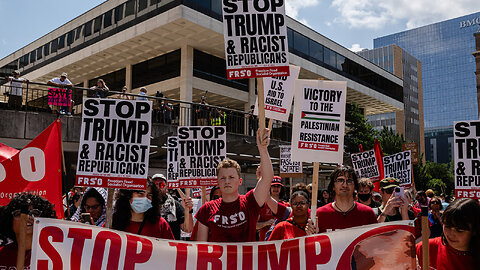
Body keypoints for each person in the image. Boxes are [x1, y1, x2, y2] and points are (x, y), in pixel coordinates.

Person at [195, 128, 273, 242]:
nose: (227, 181)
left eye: (231, 177)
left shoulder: (250, 202)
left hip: (245, 260)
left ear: (240, 181)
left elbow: (267, 179)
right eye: (223, 178)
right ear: (217, 182)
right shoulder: (206, 209)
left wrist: (263, 149)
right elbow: (201, 246)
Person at [416, 198, 480, 270]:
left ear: (474, 230)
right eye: (447, 226)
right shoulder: (426, 248)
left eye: (459, 230)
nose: (451, 234)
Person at [0, 193, 57, 268]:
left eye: (34, 213)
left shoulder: (54, 254)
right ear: (9, 221)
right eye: (18, 214)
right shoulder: (2, 254)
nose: (27, 217)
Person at [316, 166, 377, 233]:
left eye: (349, 181)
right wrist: (310, 234)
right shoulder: (320, 214)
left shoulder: (368, 213)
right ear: (333, 186)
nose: (345, 185)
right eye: (340, 180)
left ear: (355, 187)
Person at [152, 174, 193, 240]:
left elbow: (187, 229)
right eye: (155, 185)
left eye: (161, 185)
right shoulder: (146, 204)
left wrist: (190, 211)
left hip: (170, 247)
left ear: (166, 187)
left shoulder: (175, 205)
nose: (158, 188)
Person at [257, 176, 289, 241]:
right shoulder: (261, 205)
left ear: (281, 188)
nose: (276, 188)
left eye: (278, 186)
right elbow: (254, 226)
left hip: (281, 243)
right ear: (269, 187)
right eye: (273, 186)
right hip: (265, 243)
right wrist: (266, 223)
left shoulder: (286, 206)